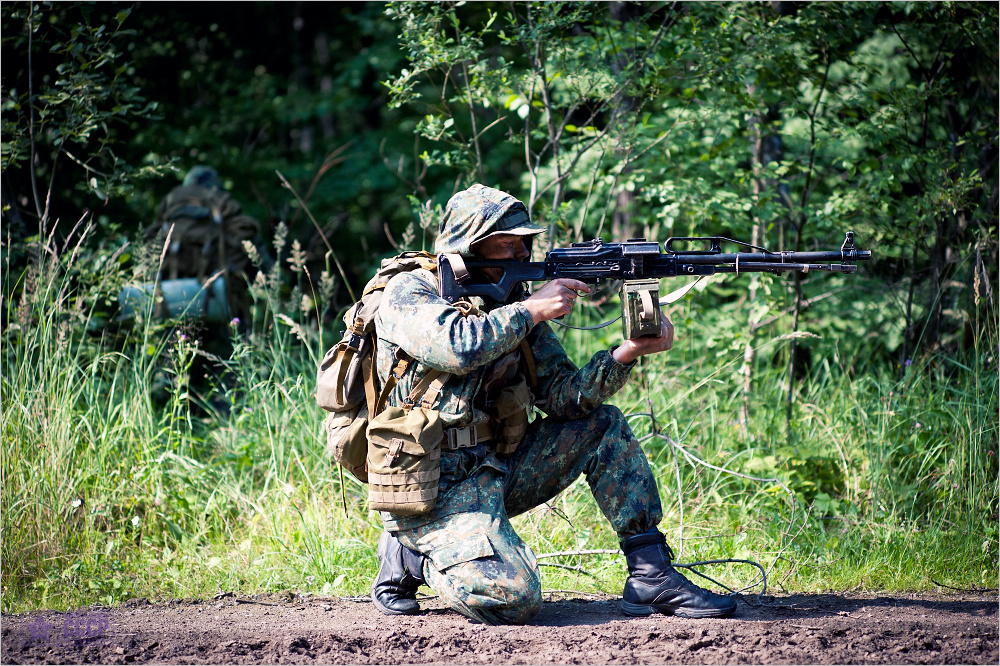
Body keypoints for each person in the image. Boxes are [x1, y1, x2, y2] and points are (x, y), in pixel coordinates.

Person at [368, 183, 736, 625]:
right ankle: (413, 553)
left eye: (525, 245)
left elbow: (563, 398)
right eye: (507, 246)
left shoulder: (509, 303)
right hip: (431, 488)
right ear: (466, 246)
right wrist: (532, 310)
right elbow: (456, 346)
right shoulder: (409, 292)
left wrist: (628, 351)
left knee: (602, 425)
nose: (521, 258)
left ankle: (650, 573)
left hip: (496, 471)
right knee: (513, 599)